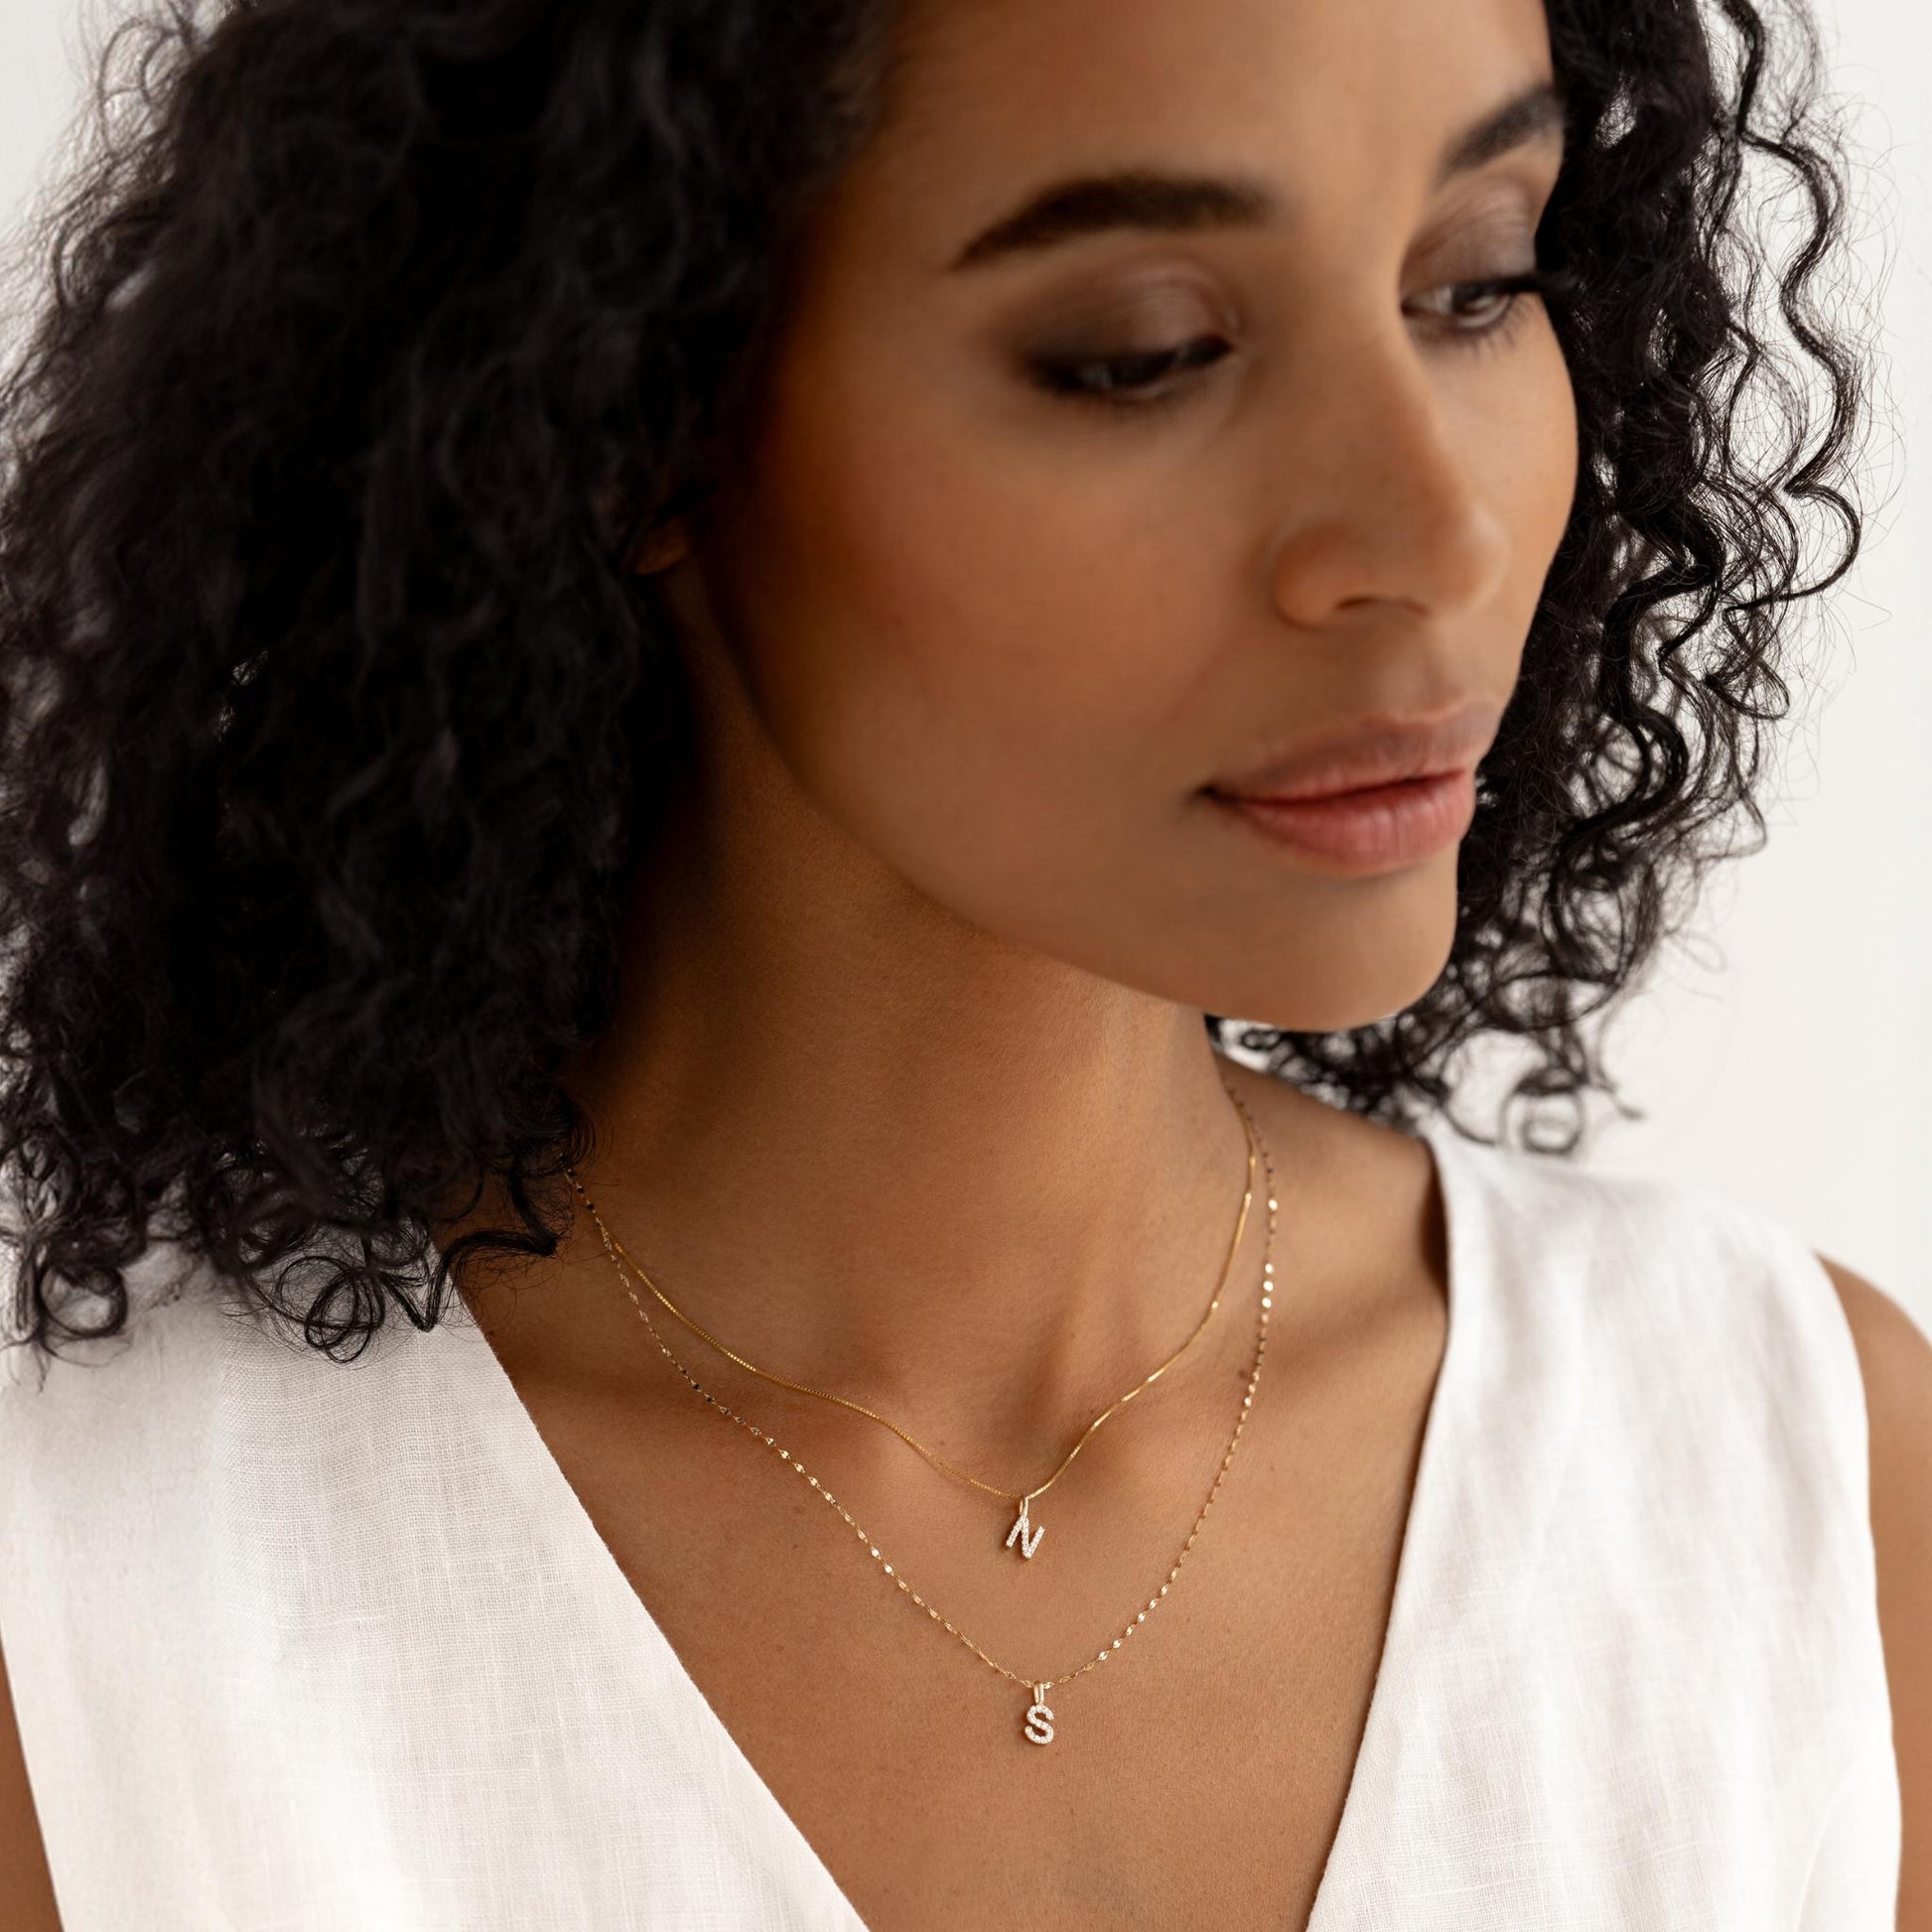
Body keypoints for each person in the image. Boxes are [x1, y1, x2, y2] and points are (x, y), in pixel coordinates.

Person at [0, 0, 1922, 1924]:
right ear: (617, 409)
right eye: (1143, 353)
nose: (1439, 526)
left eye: (1474, 283)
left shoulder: (1795, 1493)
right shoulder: (97, 1604)